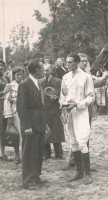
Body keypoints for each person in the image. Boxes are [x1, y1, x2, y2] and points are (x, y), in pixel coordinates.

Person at [60, 53, 95, 184]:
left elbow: (91, 97)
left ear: (77, 62)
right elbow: (62, 95)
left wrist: (77, 104)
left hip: (81, 112)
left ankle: (88, 174)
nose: (68, 64)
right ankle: (79, 173)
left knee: (82, 142)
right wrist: (63, 106)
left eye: (70, 62)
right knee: (73, 142)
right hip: (68, 112)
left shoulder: (86, 77)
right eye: (67, 62)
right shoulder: (65, 77)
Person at [17, 58, 49, 189]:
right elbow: (21, 107)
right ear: (36, 70)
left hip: (39, 122)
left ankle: (36, 177)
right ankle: (28, 181)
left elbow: (40, 106)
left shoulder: (38, 83)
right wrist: (27, 126)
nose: (44, 71)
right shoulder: (24, 84)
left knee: (38, 151)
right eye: (42, 68)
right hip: (30, 124)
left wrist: (45, 124)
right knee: (29, 151)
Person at [41, 64, 65, 159]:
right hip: (44, 110)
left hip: (54, 109)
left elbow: (63, 95)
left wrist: (57, 97)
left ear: (51, 70)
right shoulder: (40, 82)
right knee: (45, 131)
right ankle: (46, 154)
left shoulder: (58, 81)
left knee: (56, 130)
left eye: (47, 70)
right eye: (44, 70)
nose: (45, 72)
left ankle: (59, 153)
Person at [3, 67, 25, 164]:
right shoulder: (10, 86)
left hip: (25, 112)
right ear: (13, 75)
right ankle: (17, 155)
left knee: (25, 134)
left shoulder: (25, 84)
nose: (20, 76)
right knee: (16, 134)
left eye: (21, 74)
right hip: (15, 112)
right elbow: (6, 102)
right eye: (18, 75)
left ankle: (25, 154)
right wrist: (9, 116)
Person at [0, 60, 11, 160]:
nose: (0, 67)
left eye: (1, 65)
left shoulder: (6, 78)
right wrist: (3, 93)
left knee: (3, 129)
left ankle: (2, 152)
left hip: (5, 106)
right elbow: (4, 92)